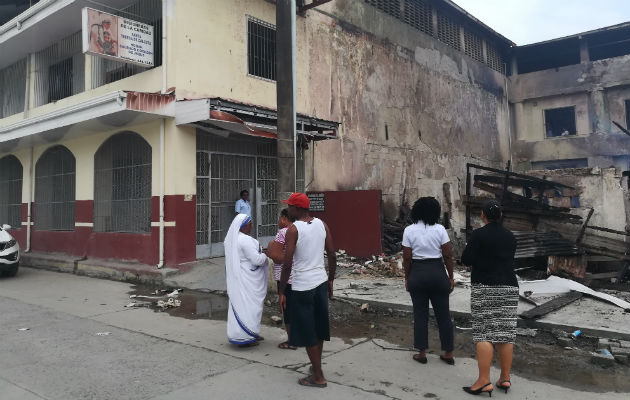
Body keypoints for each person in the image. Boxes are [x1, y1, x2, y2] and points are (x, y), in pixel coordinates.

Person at [278, 193, 336, 388]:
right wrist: (331, 280)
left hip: (303, 286)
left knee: (308, 330)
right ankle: (316, 366)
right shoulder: (322, 224)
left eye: (290, 207)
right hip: (320, 281)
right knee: (319, 328)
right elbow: (332, 253)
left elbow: (287, 263)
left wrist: (282, 290)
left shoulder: (293, 229)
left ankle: (318, 377)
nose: (288, 210)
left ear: (296, 209)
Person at [461, 200, 518, 397]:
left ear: (483, 216)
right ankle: (505, 378)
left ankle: (484, 381)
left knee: (484, 333)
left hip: (485, 286)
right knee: (505, 333)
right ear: (500, 216)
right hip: (509, 287)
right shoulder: (510, 236)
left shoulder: (478, 235)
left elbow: (466, 259)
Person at [402, 197, 455, 365]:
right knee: (444, 315)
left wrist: (407, 277)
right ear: (436, 212)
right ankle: (448, 353)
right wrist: (451, 276)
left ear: (416, 211)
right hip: (437, 272)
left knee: (420, 315)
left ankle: (422, 352)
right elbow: (447, 255)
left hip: (417, 273)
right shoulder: (440, 229)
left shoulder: (409, 231)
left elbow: (407, 258)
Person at [224, 214, 269, 347]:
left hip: (240, 278)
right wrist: (266, 253)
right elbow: (257, 260)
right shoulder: (245, 240)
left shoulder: (232, 239)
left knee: (239, 306)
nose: (252, 225)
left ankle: (248, 333)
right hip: (248, 280)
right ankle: (247, 335)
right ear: (243, 225)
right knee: (250, 307)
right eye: (250, 223)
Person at [267, 208, 297, 350]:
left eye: (280, 218)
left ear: (284, 218)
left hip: (286, 278)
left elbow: (278, 258)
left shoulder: (283, 232)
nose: (279, 221)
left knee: (287, 309)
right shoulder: (300, 230)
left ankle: (292, 340)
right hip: (299, 277)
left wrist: (270, 248)